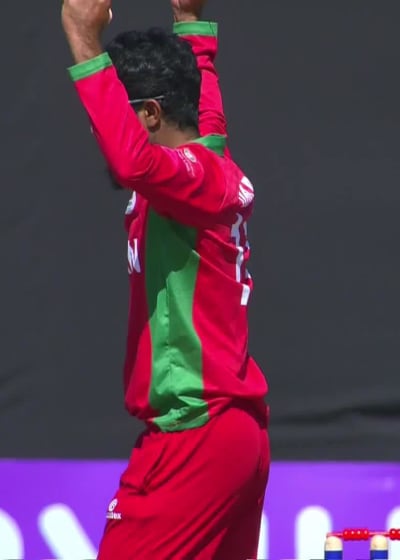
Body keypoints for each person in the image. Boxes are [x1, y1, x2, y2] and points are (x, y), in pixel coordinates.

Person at [61, 0, 270, 558]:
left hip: (196, 434)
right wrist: (190, 19)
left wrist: (82, 37)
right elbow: (210, 103)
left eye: (111, 109)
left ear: (150, 115)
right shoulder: (207, 156)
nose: (98, 125)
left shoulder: (192, 178)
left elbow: (133, 162)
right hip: (227, 433)